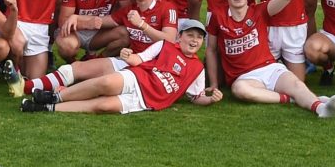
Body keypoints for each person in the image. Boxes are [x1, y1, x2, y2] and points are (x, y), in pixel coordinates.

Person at [207, 0, 335, 117]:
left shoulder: (258, 10)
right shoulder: (217, 16)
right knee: (240, 90)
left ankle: (321, 109)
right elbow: (211, 50)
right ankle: (293, 99)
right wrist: (214, 83)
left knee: (297, 83)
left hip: (269, 68)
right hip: (243, 77)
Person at [21, 19, 222, 114]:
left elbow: (196, 98)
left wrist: (210, 99)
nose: (194, 40)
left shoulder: (197, 69)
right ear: (180, 36)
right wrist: (128, 55)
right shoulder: (165, 45)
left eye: (198, 37)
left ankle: (48, 107)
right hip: (138, 78)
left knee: (102, 106)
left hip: (147, 101)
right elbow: (139, 60)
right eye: (190, 35)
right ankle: (54, 95)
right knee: (107, 83)